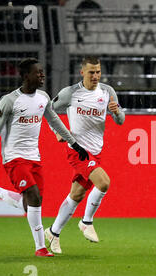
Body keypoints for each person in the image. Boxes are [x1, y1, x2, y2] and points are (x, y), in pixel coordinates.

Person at [0, 58, 89, 257]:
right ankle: (40, 248)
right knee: (34, 196)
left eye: (43, 72)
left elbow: (55, 121)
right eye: (38, 73)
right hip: (14, 158)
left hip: (34, 157)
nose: (42, 75)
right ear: (26, 76)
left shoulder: (43, 97)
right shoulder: (10, 101)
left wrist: (74, 144)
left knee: (31, 204)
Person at [44, 56, 125, 254]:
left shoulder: (107, 92)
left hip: (96, 151)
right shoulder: (70, 93)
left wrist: (116, 113)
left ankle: (53, 233)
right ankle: (86, 222)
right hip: (78, 150)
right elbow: (48, 110)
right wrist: (57, 132)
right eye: (91, 72)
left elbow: (121, 120)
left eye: (98, 71)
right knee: (104, 182)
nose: (95, 75)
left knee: (77, 194)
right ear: (82, 72)